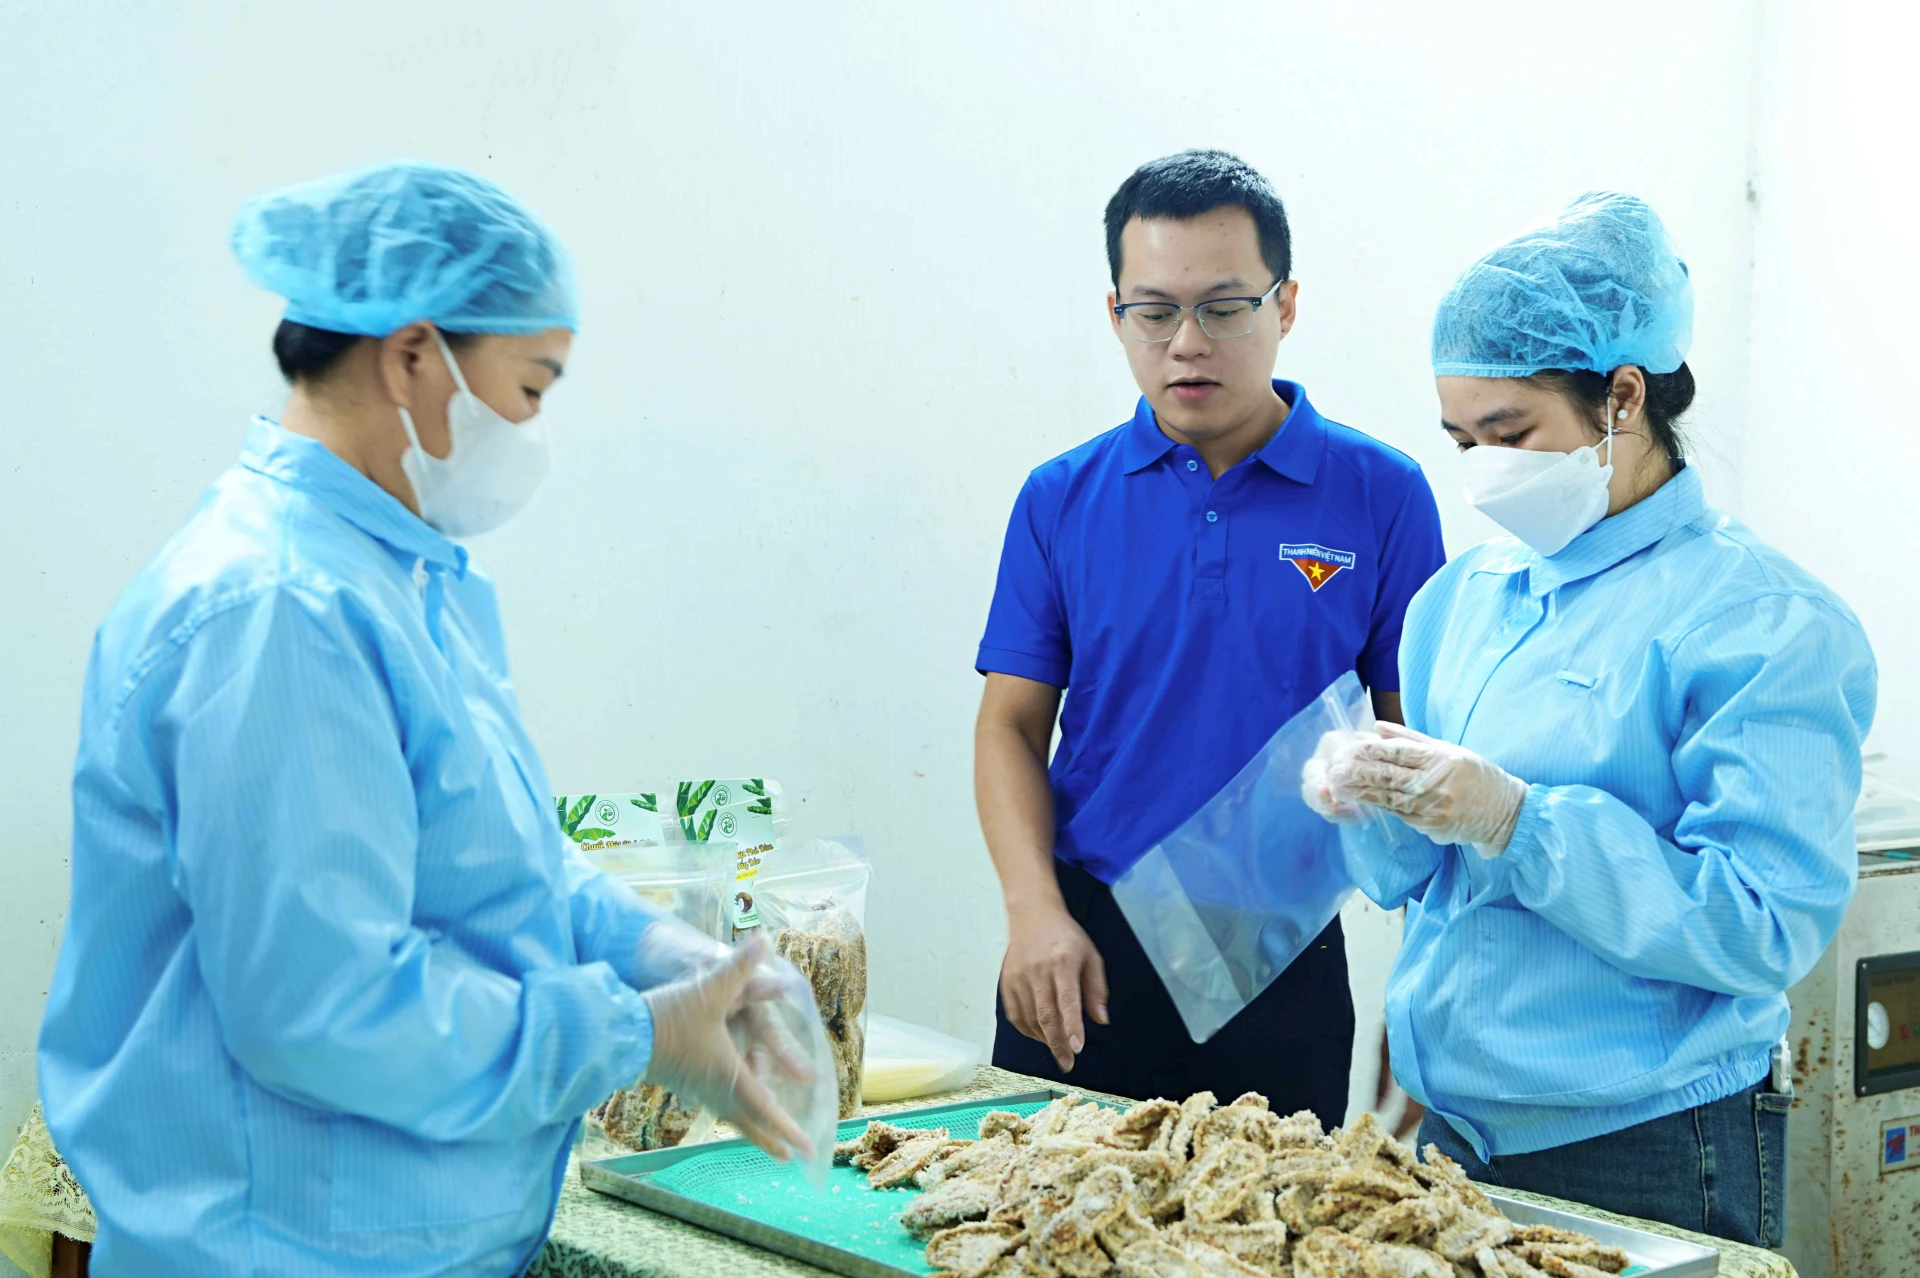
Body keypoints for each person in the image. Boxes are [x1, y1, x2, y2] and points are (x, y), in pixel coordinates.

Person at [37, 162, 816, 1277]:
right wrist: (631, 1032)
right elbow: (325, 1006)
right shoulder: (280, 611)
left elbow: (494, 876)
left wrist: (651, 949)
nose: (536, 430)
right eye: (532, 387)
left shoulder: (399, 580)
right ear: (411, 356)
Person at [1308, 192, 1876, 1246]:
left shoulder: (1762, 623)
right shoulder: (1464, 601)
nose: (1483, 472)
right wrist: (1368, 797)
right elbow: (1413, 881)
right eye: (1460, 438)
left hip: (1649, 1143)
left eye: (1510, 432)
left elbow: (1764, 925)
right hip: (1454, 1133)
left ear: (1623, 396)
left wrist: (1525, 822)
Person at [975, 149, 1445, 1122]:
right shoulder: (1060, 498)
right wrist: (1032, 913)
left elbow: (1420, 755)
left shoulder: (1381, 496)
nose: (1187, 342)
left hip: (1283, 957)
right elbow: (1010, 728)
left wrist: (1426, 979)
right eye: (1153, 312)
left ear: (1287, 305)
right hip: (1082, 952)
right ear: (1116, 316)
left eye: (1225, 307)